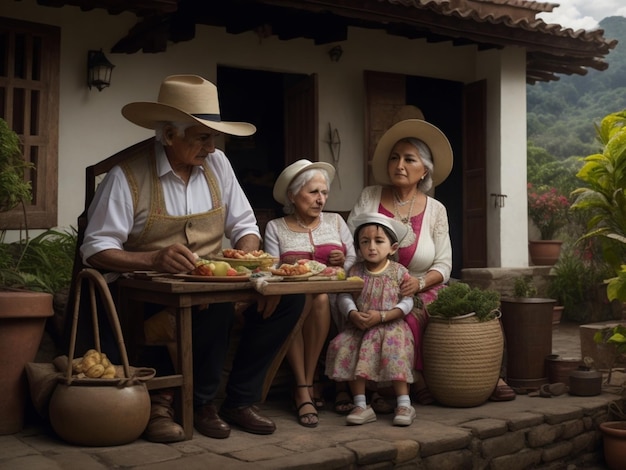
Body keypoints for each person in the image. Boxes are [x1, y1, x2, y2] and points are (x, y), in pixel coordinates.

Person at [80, 74, 306, 442]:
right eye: (202, 136)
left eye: (213, 136)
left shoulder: (219, 167)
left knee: (288, 300)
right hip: (146, 296)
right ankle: (199, 405)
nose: (212, 147)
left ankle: (240, 399)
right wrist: (153, 259)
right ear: (169, 135)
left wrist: (246, 262)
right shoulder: (127, 175)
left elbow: (246, 226)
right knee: (212, 303)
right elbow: (96, 249)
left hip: (216, 284)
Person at [348, 118, 515, 404]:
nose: (399, 165)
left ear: (424, 169)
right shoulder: (370, 196)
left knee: (477, 312)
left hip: (422, 286)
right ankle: (413, 382)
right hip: (373, 285)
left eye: (409, 159)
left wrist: (420, 282)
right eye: (394, 158)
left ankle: (488, 376)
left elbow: (444, 264)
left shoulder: (436, 209)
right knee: (405, 317)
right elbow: (351, 245)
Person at [264, 159, 357, 426]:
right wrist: (286, 265)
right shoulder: (275, 227)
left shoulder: (336, 222)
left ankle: (305, 384)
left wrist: (342, 262)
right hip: (292, 297)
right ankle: (305, 385)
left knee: (318, 298)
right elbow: (271, 267)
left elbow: (353, 260)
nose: (320, 199)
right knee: (303, 299)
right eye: (313, 192)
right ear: (293, 195)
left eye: (324, 193)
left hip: (332, 297)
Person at [325, 212, 416, 426]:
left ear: (392, 248)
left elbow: (407, 300)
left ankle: (404, 403)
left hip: (391, 327)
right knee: (348, 347)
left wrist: (385, 315)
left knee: (395, 351)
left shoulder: (398, 271)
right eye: (365, 242)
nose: (371, 247)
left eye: (379, 241)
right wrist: (352, 313)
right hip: (361, 326)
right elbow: (345, 295)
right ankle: (360, 404)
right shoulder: (355, 271)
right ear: (358, 248)